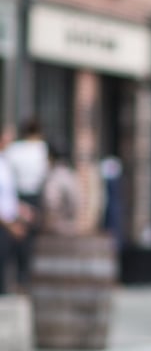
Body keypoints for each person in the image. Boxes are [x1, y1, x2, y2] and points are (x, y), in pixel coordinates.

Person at [4, 117, 48, 288]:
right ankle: (24, 278)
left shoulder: (14, 150)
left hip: (17, 196)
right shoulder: (41, 149)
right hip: (33, 197)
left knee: (15, 238)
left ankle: (14, 278)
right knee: (29, 241)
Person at [39, 145, 82, 235]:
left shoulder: (54, 176)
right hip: (71, 226)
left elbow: (50, 201)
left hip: (56, 228)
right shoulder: (70, 175)